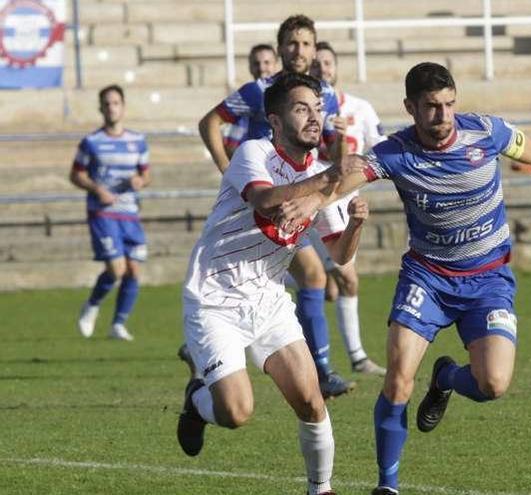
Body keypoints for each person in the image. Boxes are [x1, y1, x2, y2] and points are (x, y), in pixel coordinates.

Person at [285, 62, 531, 494]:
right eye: (431, 107)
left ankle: (445, 378)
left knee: (493, 385)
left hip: (488, 280)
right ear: (410, 108)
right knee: (399, 378)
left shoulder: (487, 132)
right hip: (427, 279)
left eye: (448, 104)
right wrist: (312, 201)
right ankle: (387, 485)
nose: (442, 115)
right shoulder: (395, 152)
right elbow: (345, 178)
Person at [176, 72, 368, 495]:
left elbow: (340, 256)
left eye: (318, 109)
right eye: (302, 109)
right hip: (216, 298)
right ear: (275, 121)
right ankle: (196, 400)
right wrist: (331, 178)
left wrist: (354, 223)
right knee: (236, 411)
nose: (315, 118)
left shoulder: (323, 176)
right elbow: (265, 199)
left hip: (268, 299)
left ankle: (321, 489)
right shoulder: (254, 152)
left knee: (310, 399)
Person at [196, 15, 354, 398]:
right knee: (312, 277)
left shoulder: (324, 95)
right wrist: (228, 169)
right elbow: (210, 122)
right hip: (263, 201)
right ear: (280, 47)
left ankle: (307, 365)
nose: (299, 50)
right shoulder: (258, 91)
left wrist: (340, 153)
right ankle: (319, 369)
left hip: (297, 194)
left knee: (312, 278)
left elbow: (330, 149)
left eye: (306, 44)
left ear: (316, 49)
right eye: (292, 43)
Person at [311, 41, 386, 376]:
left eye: (327, 62)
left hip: (341, 200)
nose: (322, 68)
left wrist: (361, 178)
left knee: (340, 280)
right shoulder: (306, 109)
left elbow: (379, 150)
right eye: (316, 64)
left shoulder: (360, 108)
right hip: (313, 195)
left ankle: (352, 357)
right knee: (335, 278)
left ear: (336, 67)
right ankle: (346, 358)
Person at [71, 84, 151, 342]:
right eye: (106, 103)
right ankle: (92, 305)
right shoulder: (91, 142)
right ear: (100, 108)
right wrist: (97, 188)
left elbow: (146, 174)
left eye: (115, 103)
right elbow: (75, 174)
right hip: (103, 212)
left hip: (130, 213)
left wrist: (140, 181)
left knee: (134, 271)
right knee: (116, 269)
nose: (111, 108)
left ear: (123, 107)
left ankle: (118, 324)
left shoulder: (137, 141)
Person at [221, 44, 280, 157]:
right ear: (250, 67)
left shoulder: (288, 93)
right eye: (256, 63)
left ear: (276, 65)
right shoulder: (246, 98)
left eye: (267, 63)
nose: (262, 68)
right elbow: (231, 144)